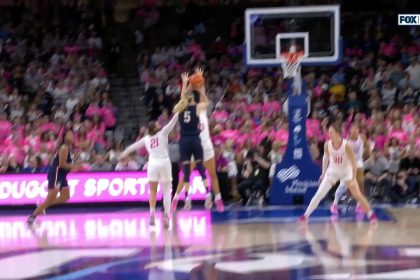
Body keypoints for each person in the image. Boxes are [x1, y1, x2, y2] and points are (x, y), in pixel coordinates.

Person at [118, 107, 184, 229]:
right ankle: (166, 216)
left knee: (152, 191)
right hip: (164, 162)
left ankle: (152, 215)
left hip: (153, 164)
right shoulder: (163, 133)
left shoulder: (146, 138)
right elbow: (174, 120)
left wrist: (122, 154)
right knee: (166, 192)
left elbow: (132, 147)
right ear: (155, 128)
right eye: (158, 124)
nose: (160, 124)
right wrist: (180, 108)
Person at [300, 123, 377, 223]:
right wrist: (323, 173)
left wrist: (353, 179)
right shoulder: (327, 144)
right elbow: (325, 157)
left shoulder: (346, 145)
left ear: (337, 133)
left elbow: (353, 162)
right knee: (319, 193)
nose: (329, 133)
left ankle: (371, 214)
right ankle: (305, 216)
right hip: (333, 171)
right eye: (329, 132)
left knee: (357, 194)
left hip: (346, 172)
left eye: (331, 132)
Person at [175, 68, 225, 212]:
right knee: (186, 174)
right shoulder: (192, 109)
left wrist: (195, 82)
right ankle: (179, 199)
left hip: (204, 145)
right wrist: (198, 82)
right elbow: (185, 99)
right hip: (195, 143)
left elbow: (188, 98)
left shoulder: (200, 109)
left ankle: (218, 199)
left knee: (212, 174)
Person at [171, 71, 209, 211]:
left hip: (184, 140)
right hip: (195, 139)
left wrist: (186, 82)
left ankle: (187, 198)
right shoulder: (198, 107)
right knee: (200, 167)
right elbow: (205, 101)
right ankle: (208, 194)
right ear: (194, 99)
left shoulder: (181, 108)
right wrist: (201, 86)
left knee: (186, 170)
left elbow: (183, 96)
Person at [27, 130, 77, 225]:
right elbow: (61, 164)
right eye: (69, 134)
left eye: (72, 134)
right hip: (56, 174)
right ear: (64, 137)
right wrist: (75, 167)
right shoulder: (64, 147)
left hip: (61, 175)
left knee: (65, 197)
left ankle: (42, 205)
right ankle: (32, 217)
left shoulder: (69, 148)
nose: (71, 136)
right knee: (50, 198)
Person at [331, 123, 371, 214]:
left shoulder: (362, 138)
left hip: (359, 162)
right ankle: (334, 204)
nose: (354, 130)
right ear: (350, 131)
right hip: (348, 163)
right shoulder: (346, 141)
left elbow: (368, 147)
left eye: (356, 128)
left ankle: (359, 205)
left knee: (360, 184)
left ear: (358, 130)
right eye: (352, 129)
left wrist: (367, 154)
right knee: (343, 186)